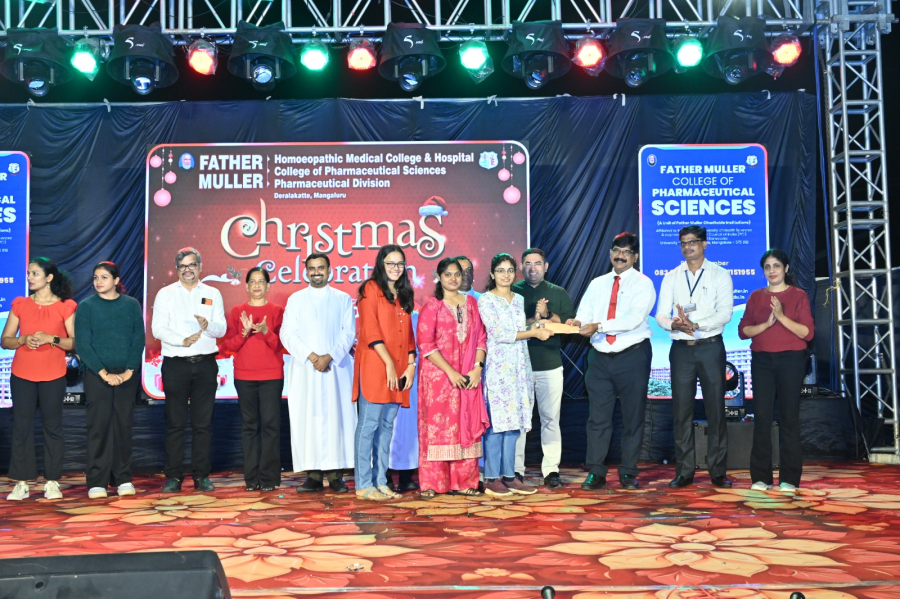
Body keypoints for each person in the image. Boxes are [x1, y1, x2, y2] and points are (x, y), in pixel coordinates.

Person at [566, 234, 655, 490]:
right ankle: (596, 471)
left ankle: (628, 472)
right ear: (610, 253)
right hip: (600, 358)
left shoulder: (643, 283)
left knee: (633, 417)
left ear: (635, 257)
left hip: (632, 355)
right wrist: (577, 322)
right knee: (598, 418)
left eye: (626, 252)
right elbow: (585, 313)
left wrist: (599, 326)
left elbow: (633, 319)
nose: (620, 256)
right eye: (617, 250)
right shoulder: (597, 283)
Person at [656, 226, 734, 489]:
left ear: (704, 244)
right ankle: (684, 471)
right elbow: (660, 315)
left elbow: (725, 313)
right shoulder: (671, 277)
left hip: (710, 347)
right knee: (681, 411)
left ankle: (718, 471)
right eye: (683, 243)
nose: (687, 247)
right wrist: (674, 324)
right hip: (681, 350)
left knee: (716, 410)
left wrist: (696, 325)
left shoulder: (720, 274)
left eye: (692, 242)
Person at [478, 253, 554, 497]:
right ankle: (491, 478)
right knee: (496, 425)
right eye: (500, 270)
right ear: (492, 274)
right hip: (498, 369)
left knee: (514, 424)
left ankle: (509, 476)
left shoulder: (518, 299)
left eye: (510, 270)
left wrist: (536, 325)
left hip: (520, 367)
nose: (506, 275)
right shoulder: (486, 300)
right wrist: (533, 334)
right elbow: (499, 334)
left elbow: (519, 330)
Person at [151, 247, 226, 493]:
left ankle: (201, 476)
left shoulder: (212, 293)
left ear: (200, 267)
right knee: (175, 424)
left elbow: (222, 328)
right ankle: (173, 477)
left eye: (192, 265)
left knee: (203, 424)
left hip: (205, 364)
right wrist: (181, 340)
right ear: (177, 269)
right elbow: (157, 328)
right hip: (176, 364)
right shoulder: (165, 294)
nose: (188, 270)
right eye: (183, 266)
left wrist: (208, 325)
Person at [738, 249, 813, 493]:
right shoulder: (756, 296)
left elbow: (807, 333)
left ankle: (789, 479)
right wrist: (767, 324)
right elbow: (743, 331)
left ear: (786, 268)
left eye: (777, 266)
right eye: (767, 267)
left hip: (791, 360)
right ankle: (761, 477)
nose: (772, 271)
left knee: (789, 418)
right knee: (762, 418)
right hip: (762, 362)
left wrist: (780, 316)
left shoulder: (798, 295)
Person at [2, 257, 76, 501]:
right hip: (22, 374)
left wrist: (50, 339)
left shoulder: (65, 307)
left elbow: (74, 343)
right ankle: (21, 482)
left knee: (52, 427)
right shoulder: (21, 304)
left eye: (34, 273)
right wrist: (23, 340)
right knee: (21, 427)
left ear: (49, 277)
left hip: (53, 374)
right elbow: (5, 340)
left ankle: (52, 481)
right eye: (28, 273)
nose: (30, 278)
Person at [281, 254, 356, 494]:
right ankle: (312, 476)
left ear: (329, 270)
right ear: (306, 272)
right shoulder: (296, 300)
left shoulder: (342, 299)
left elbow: (348, 333)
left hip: (336, 369)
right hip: (306, 369)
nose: (316, 272)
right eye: (312, 268)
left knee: (337, 419)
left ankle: (336, 477)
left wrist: (329, 356)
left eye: (321, 268)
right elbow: (287, 333)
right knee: (308, 418)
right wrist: (313, 356)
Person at [416, 257, 489, 498]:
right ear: (438, 277)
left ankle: (465, 482)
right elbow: (426, 344)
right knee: (439, 428)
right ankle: (432, 483)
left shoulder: (472, 304)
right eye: (448, 274)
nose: (453, 278)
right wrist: (451, 372)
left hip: (468, 376)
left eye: (457, 274)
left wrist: (477, 368)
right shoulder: (432, 306)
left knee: (466, 423)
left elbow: (481, 338)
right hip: (439, 378)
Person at [75, 262, 145, 499]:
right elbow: (83, 344)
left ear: (116, 281)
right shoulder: (86, 306)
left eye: (104, 277)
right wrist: (103, 373)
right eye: (96, 277)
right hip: (96, 374)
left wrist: (129, 371)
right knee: (99, 426)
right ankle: (97, 481)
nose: (98, 282)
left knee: (123, 425)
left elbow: (138, 339)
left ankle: (123, 478)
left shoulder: (131, 305)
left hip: (126, 374)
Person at [353, 245, 417, 501]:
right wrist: (389, 363)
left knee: (387, 427)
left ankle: (380, 481)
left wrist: (410, 365)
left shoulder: (403, 293)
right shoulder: (370, 289)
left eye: (400, 263)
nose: (395, 268)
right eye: (390, 263)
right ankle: (363, 484)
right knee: (368, 425)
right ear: (381, 264)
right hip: (375, 364)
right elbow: (370, 329)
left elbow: (409, 335)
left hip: (399, 367)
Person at [511, 248, 575, 488]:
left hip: (550, 366)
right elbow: (505, 329)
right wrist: (534, 321)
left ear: (546, 267)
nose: (532, 268)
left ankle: (551, 470)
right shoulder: (511, 292)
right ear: (521, 267)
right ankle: (515, 470)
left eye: (537, 263)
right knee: (519, 421)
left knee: (550, 419)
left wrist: (548, 315)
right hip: (519, 366)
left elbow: (570, 326)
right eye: (527, 263)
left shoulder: (558, 292)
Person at [223, 267, 285, 492]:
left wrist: (266, 331)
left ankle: (268, 478)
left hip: (271, 376)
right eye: (253, 281)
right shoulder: (237, 311)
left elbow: (281, 345)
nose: (257, 285)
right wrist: (244, 333)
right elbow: (228, 346)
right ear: (246, 286)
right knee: (249, 427)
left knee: (270, 426)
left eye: (261, 281)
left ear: (268, 286)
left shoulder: (277, 311)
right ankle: (251, 478)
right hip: (244, 376)